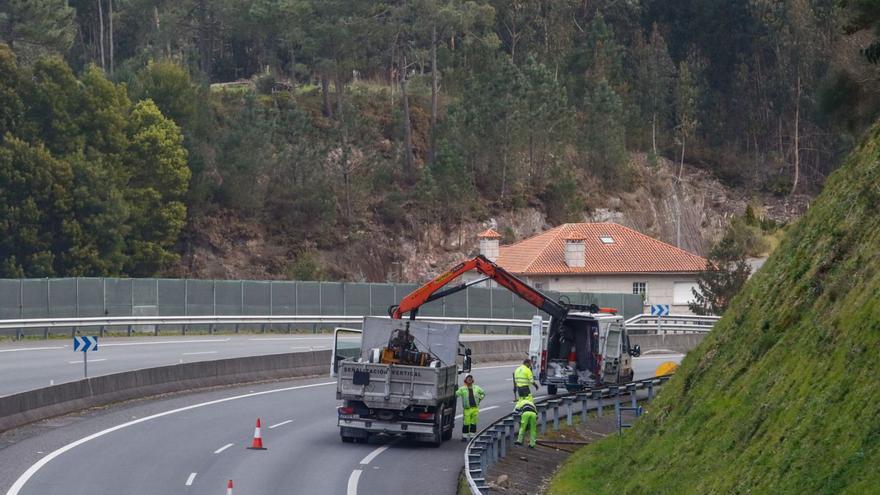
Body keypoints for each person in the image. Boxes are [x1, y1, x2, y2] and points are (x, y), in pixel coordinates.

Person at [455, 374, 485, 441]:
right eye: (468, 378)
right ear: (465, 380)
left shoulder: (476, 388)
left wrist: (480, 398)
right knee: (466, 423)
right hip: (467, 409)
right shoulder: (462, 389)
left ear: (472, 380)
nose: (469, 380)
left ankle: (472, 436)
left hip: (475, 408)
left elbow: (483, 393)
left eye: (470, 378)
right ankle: (464, 437)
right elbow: (456, 394)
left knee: (473, 423)